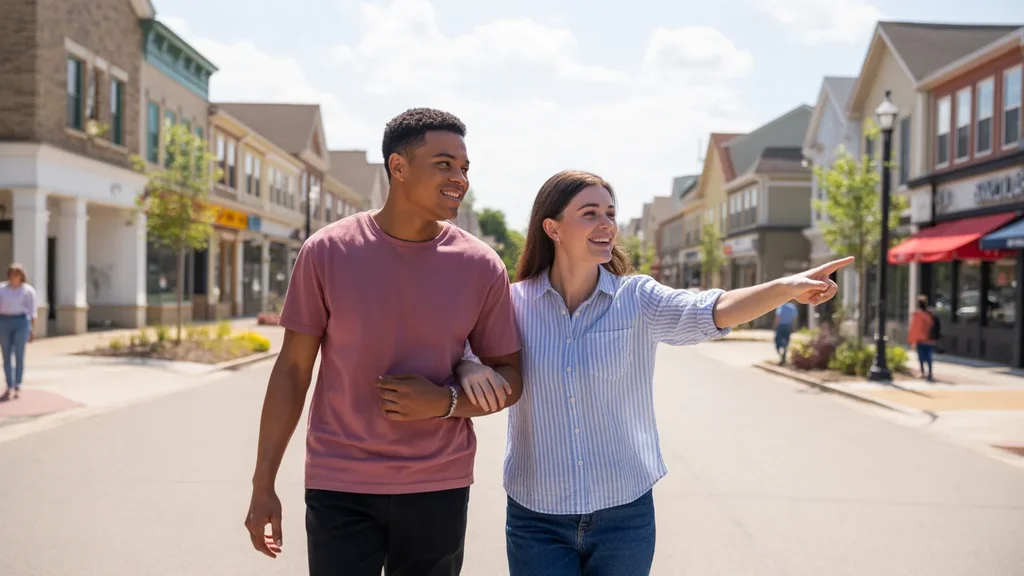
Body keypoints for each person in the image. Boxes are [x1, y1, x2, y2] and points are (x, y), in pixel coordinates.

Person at [456, 170, 852, 576]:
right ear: (552, 228)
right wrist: (468, 363)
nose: (607, 224)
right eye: (590, 213)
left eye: (610, 212)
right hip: (536, 515)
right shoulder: (512, 304)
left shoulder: (638, 298)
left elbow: (712, 310)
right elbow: (463, 346)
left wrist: (785, 287)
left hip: (624, 514)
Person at [243, 108, 523, 576]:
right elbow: (292, 370)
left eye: (464, 167)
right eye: (444, 164)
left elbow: (511, 377)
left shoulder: (481, 265)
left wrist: (446, 402)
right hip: (340, 482)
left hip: (438, 484)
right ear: (398, 166)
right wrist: (263, 482)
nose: (460, 178)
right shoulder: (328, 251)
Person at [0, 263, 37, 401]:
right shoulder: (2, 289)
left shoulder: (28, 291)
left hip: (21, 321)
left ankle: (18, 384)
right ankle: (9, 385)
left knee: (19, 354)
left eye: (16, 275)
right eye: (11, 274)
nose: (13, 277)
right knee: (6, 355)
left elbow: (32, 312)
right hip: (4, 321)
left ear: (21, 276)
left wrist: (32, 329)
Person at [907, 295, 937, 381]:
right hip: (930, 339)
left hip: (921, 339)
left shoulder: (917, 314)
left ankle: (922, 372)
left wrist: (912, 340)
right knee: (929, 357)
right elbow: (932, 325)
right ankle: (930, 373)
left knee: (921, 357)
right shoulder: (930, 314)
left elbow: (915, 328)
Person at [773, 299, 799, 364]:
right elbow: (795, 318)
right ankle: (784, 355)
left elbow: (778, 317)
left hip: (781, 326)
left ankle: (782, 356)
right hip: (788, 326)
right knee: (786, 341)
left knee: (777, 341)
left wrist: (775, 326)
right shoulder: (792, 307)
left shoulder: (780, 306)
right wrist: (794, 326)